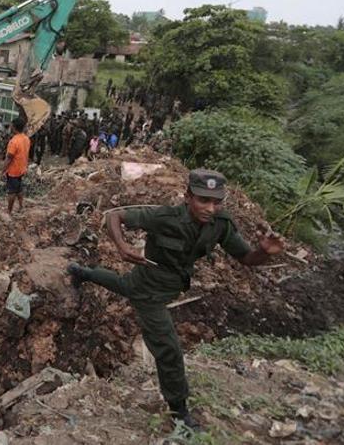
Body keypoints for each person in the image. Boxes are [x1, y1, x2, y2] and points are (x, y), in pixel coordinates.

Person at [67, 169, 285, 431]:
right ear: (188, 197)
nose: (210, 208)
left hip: (163, 285)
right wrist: (123, 247)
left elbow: (247, 259)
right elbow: (115, 216)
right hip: (150, 291)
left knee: (124, 285)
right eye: (203, 200)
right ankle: (179, 412)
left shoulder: (220, 225)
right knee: (169, 350)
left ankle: (83, 272)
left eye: (216, 202)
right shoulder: (164, 217)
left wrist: (264, 252)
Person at [1, 117, 30, 215]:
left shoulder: (14, 141)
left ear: (14, 127)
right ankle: (21, 206)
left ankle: (9, 211)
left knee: (12, 191)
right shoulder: (26, 138)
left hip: (13, 171)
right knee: (19, 188)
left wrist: (3, 171)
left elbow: (9, 158)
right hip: (22, 168)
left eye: (11, 125)